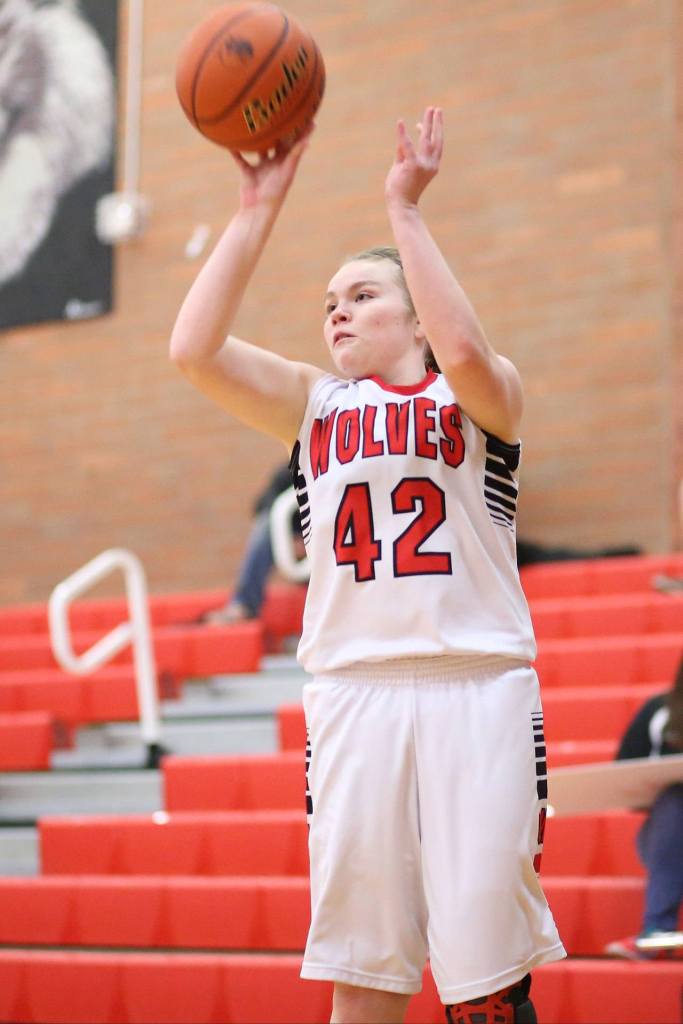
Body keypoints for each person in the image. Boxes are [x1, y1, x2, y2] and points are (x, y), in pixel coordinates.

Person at [170, 107, 565, 1024]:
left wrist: (406, 211)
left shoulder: (478, 390)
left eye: (362, 297)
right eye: (328, 303)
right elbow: (193, 350)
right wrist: (254, 211)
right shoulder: (315, 404)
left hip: (476, 686)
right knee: (367, 972)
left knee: (486, 984)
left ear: (416, 319)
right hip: (353, 695)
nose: (337, 311)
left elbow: (461, 346)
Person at [604, 653, 683, 960]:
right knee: (674, 799)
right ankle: (657, 931)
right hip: (671, 832)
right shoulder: (660, 712)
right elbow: (622, 779)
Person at [201, 462, 303, 624]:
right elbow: (261, 503)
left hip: (331, 545)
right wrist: (292, 538)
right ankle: (244, 604)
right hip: (294, 546)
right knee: (266, 523)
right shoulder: (291, 470)